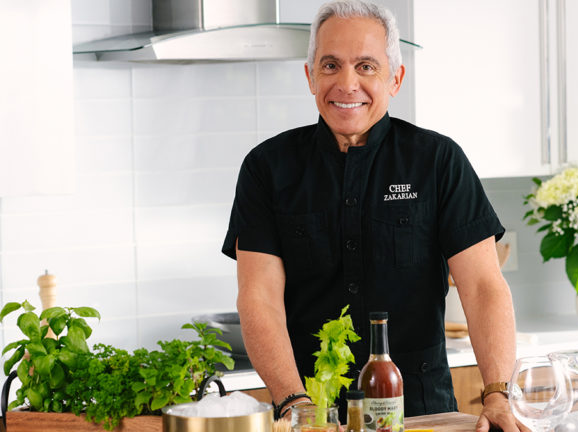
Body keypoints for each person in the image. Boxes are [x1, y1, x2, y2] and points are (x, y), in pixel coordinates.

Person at [222, 1, 524, 430]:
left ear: (395, 78)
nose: (347, 84)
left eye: (366, 66)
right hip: (314, 414)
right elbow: (259, 298)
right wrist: (295, 401)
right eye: (330, 65)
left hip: (425, 412)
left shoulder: (438, 161)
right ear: (310, 76)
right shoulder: (267, 168)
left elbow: (482, 287)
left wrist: (497, 395)